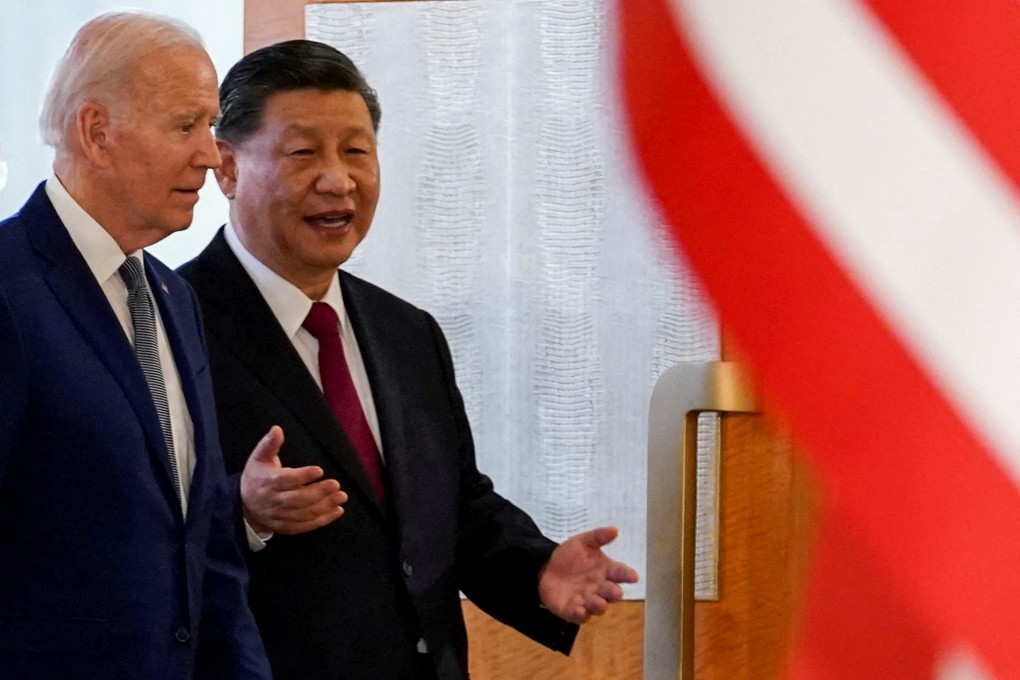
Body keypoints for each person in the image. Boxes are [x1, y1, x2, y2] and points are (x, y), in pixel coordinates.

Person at [177, 40, 639, 680]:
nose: (338, 179)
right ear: (226, 168)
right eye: (304, 151)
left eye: (357, 151)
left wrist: (536, 568)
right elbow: (125, 535)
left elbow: (453, 507)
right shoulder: (175, 322)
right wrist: (245, 512)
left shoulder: (406, 330)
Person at [0, 12, 272, 679]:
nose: (210, 155)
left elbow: (205, 544)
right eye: (186, 125)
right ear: (96, 133)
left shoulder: (174, 300)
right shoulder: (9, 290)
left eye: (210, 126)